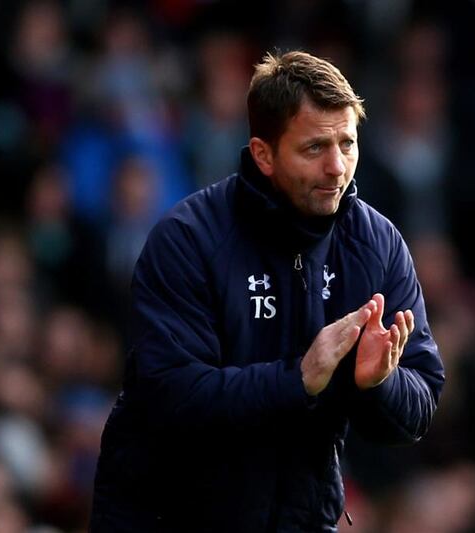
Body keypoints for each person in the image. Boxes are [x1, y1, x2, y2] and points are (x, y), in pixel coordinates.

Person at [91, 50, 445, 532]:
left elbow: (419, 405)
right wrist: (297, 380)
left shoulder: (375, 245)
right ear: (263, 154)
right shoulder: (189, 240)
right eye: (315, 148)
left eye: (347, 143)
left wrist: (377, 384)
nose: (337, 167)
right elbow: (170, 397)